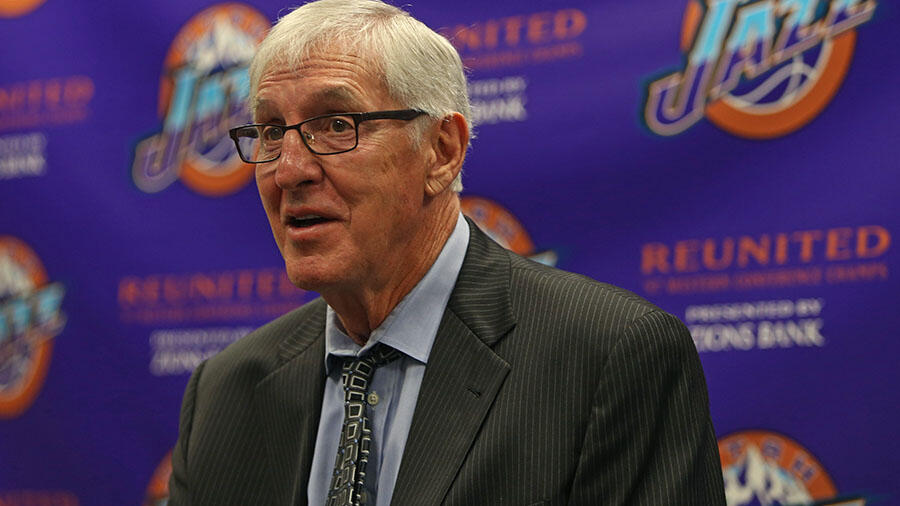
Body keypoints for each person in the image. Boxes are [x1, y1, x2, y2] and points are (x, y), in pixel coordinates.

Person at [168, 0, 726, 504]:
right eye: (271, 131)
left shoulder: (610, 358)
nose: (289, 170)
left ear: (442, 151)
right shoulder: (224, 392)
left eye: (336, 125)